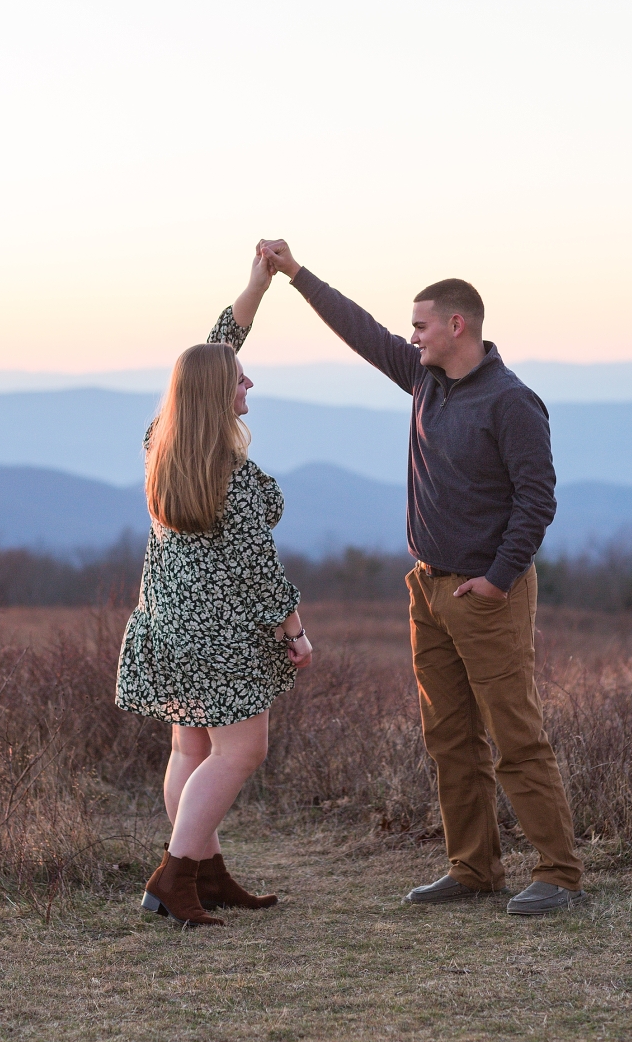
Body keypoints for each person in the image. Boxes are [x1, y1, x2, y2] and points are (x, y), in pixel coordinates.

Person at [258, 239, 585, 916]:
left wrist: (497, 579)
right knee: (448, 736)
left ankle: (559, 871)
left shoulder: (512, 402)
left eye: (421, 325)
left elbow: (537, 499)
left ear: (457, 325)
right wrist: (294, 274)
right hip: (428, 588)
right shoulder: (426, 380)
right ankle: (473, 868)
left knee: (514, 731)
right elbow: (362, 332)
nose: (411, 337)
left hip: (486, 593)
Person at [116, 248, 312, 927]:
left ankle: (208, 873)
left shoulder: (162, 446)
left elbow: (213, 349)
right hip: (221, 638)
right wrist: (296, 631)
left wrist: (256, 288)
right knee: (242, 749)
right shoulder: (232, 476)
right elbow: (262, 571)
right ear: (215, 394)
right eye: (239, 380)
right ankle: (174, 876)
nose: (248, 382)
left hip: (165, 624)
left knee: (190, 749)